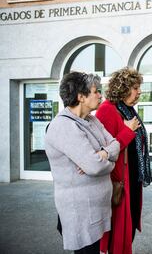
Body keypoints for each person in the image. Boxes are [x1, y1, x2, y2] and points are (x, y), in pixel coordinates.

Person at [44, 72, 120, 254]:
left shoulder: (92, 120)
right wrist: (108, 162)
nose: (100, 95)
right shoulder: (63, 126)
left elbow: (115, 144)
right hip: (80, 213)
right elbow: (94, 166)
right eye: (96, 91)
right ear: (81, 96)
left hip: (95, 210)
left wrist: (103, 154)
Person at [95, 67, 152, 254]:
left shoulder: (127, 109)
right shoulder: (107, 110)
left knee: (130, 225)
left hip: (133, 177)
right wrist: (127, 130)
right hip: (119, 181)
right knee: (118, 233)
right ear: (123, 87)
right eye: (136, 88)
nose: (139, 92)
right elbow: (105, 150)